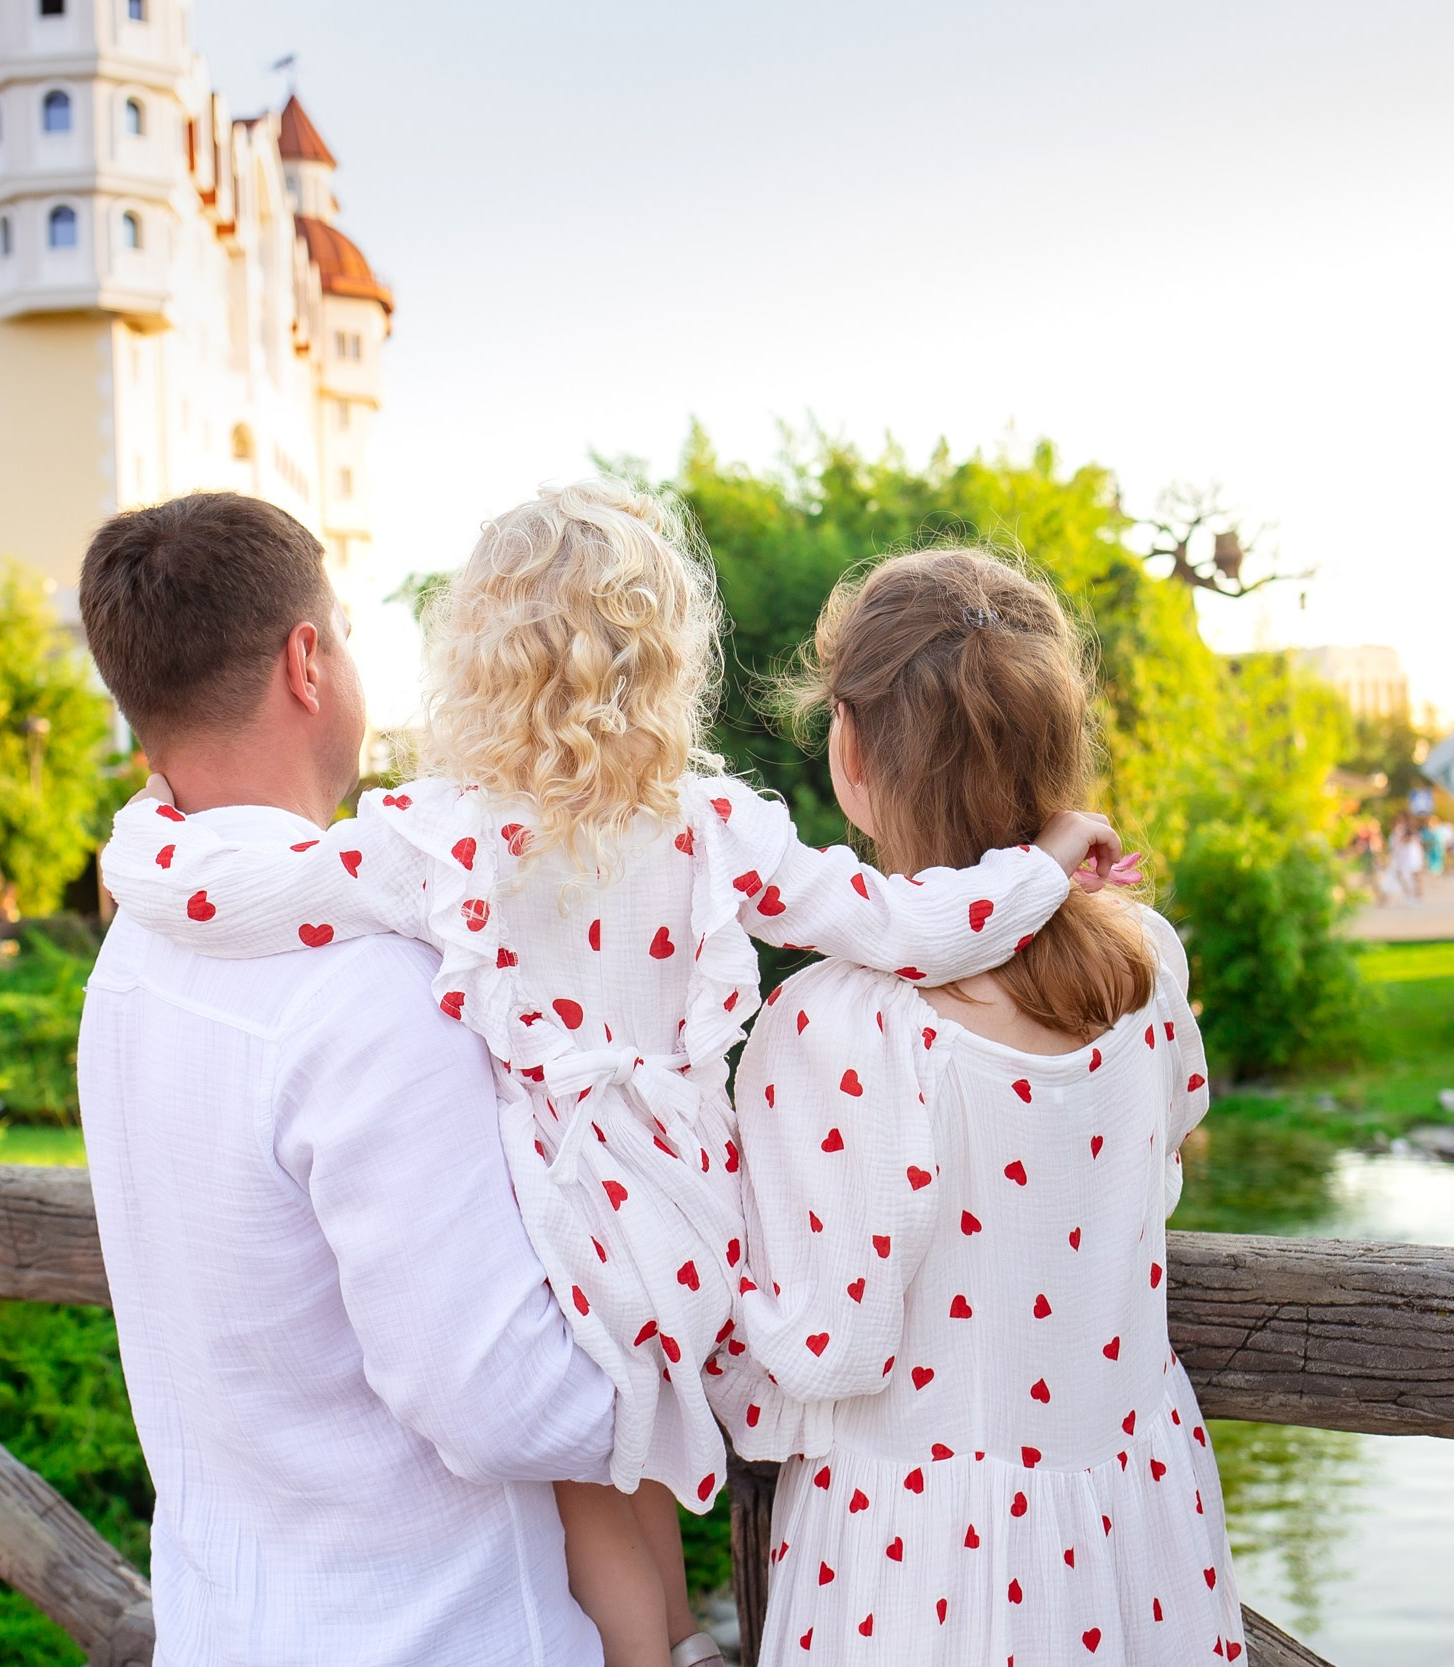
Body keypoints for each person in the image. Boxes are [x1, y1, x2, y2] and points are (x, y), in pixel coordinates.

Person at [102, 482, 1128, 1667]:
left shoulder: (434, 836)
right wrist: (1044, 868)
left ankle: (661, 1651)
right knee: (644, 1438)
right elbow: (903, 924)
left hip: (563, 1216)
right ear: (666, 655)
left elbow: (245, 888)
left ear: (475, 657)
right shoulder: (711, 824)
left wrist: (143, 836)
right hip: (692, 1214)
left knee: (595, 1484)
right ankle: (690, 1636)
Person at [75, 491, 620, 1667]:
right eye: (353, 631)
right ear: (307, 660)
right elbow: (501, 1400)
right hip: (433, 1628)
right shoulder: (366, 984)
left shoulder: (135, 946)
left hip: (230, 1622)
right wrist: (706, 1365)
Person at [715, 548, 1244, 1665]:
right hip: (1128, 1533)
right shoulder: (1144, 964)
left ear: (848, 754)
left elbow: (816, 1340)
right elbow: (1154, 1171)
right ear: (1059, 752)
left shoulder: (833, 1023)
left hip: (913, 1570)